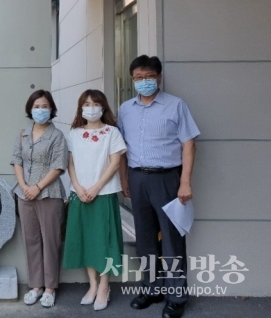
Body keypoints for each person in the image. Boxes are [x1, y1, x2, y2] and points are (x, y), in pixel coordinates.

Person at [118, 55, 200, 318]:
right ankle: (152, 288)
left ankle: (176, 296)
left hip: (167, 178)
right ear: (132, 80)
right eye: (138, 78)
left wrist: (185, 181)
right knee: (144, 239)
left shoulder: (176, 106)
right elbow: (120, 147)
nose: (144, 82)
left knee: (172, 240)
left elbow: (189, 144)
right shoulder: (125, 109)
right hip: (137, 177)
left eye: (149, 77)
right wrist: (123, 178)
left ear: (159, 78)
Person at [62, 89, 127, 311]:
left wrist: (96, 187)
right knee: (86, 239)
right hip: (79, 194)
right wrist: (79, 188)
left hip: (104, 193)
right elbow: (70, 164)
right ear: (81, 107)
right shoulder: (74, 133)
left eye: (95, 103)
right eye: (87, 104)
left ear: (103, 107)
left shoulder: (112, 133)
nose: (91, 108)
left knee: (105, 240)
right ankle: (92, 285)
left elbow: (115, 163)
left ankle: (104, 286)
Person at [11, 90, 68, 308]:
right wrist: (25, 186)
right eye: (36, 106)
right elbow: (16, 160)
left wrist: (37, 187)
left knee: (51, 240)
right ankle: (36, 286)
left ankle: (50, 288)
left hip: (49, 193)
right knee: (31, 240)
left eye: (44, 106)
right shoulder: (23, 134)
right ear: (30, 109)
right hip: (24, 194)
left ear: (51, 109)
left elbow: (58, 166)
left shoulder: (57, 136)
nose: (40, 110)